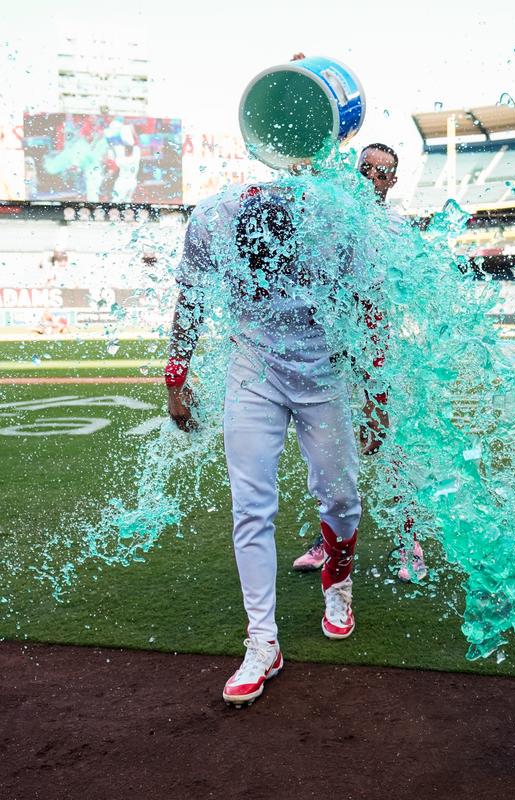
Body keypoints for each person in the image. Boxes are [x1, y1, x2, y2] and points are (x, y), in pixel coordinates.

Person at [165, 172, 387, 706]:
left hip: (325, 369)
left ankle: (337, 582)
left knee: (340, 496)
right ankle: (262, 642)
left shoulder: (337, 225)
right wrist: (176, 377)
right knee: (250, 506)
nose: (263, 285)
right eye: (251, 276)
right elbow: (191, 298)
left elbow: (371, 309)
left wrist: (376, 396)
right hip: (253, 369)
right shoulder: (211, 221)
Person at [290, 143, 428, 583]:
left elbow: (394, 298)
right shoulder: (335, 218)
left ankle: (411, 542)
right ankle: (326, 540)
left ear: (393, 180)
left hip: (382, 353)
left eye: (381, 172)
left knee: (393, 450)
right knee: (330, 451)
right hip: (336, 350)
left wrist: (381, 372)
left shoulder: (396, 228)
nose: (371, 177)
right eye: (364, 168)